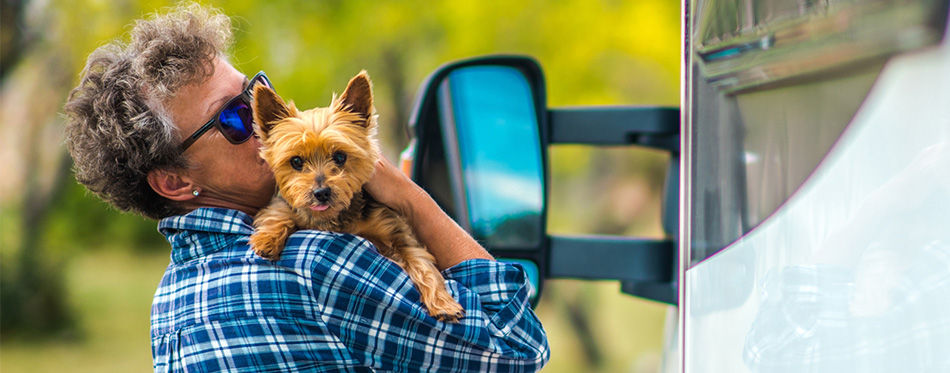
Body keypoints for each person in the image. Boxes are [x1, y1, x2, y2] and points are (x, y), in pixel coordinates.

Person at [63, 3, 549, 372]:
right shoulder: (316, 262)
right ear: (174, 180)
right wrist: (407, 195)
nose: (264, 124)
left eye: (257, 94)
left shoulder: (169, 302)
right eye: (234, 118)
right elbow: (518, 349)